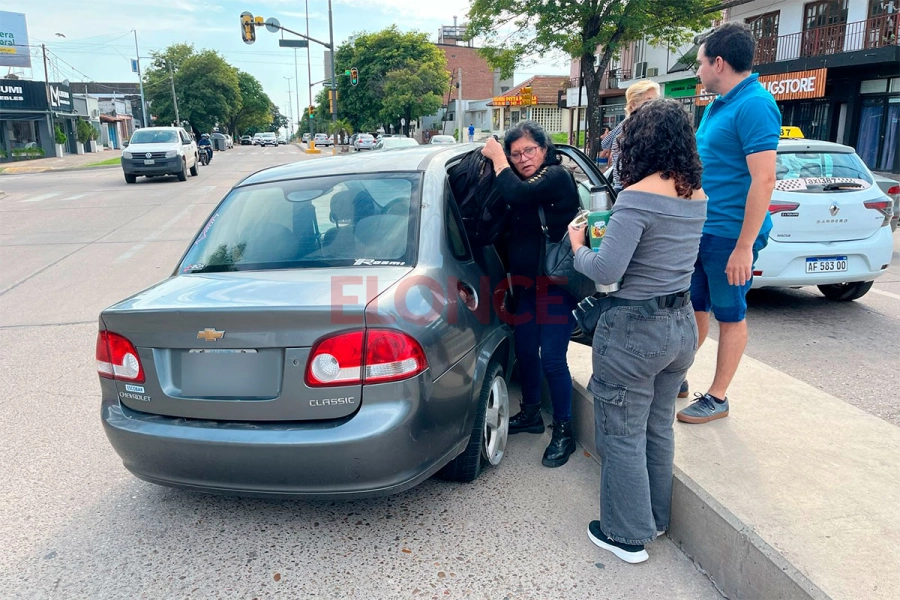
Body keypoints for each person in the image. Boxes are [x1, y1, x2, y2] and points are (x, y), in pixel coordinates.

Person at [568, 98, 707, 564]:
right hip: (680, 325)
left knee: (623, 432)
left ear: (640, 141)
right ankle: (655, 518)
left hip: (634, 331)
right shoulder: (696, 194)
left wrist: (576, 247)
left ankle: (625, 536)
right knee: (657, 427)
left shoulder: (635, 197)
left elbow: (607, 267)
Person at [676, 22, 779, 425]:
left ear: (718, 62)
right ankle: (677, 374)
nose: (697, 71)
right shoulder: (720, 103)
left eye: (700, 63)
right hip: (703, 229)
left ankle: (717, 397)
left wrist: (743, 246)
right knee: (693, 308)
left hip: (728, 234)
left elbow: (764, 179)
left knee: (730, 314)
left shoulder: (754, 104)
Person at [481, 121, 581, 468]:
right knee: (525, 351)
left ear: (544, 148)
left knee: (552, 357)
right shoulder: (518, 182)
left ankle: (564, 430)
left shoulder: (556, 176)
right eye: (514, 153)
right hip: (525, 286)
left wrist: (497, 159)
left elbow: (517, 195)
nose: (523, 158)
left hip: (555, 286)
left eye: (529, 150)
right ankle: (532, 413)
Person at [601, 80, 660, 188]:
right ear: (633, 105)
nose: (655, 105)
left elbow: (605, 143)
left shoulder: (625, 124)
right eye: (649, 101)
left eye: (656, 100)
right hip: (627, 188)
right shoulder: (632, 128)